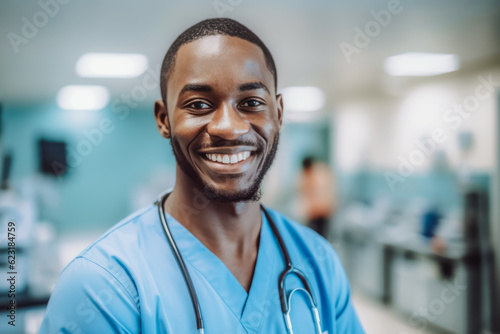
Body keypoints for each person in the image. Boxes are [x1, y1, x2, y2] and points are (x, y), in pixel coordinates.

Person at [40, 18, 365, 333]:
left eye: (251, 102)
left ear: (278, 115)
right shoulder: (100, 287)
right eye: (198, 104)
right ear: (164, 119)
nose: (228, 127)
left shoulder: (318, 263)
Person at [297, 156, 336, 238]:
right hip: (314, 212)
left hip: (322, 211)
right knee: (313, 235)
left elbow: (328, 192)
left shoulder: (319, 174)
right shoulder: (306, 176)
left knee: (321, 236)